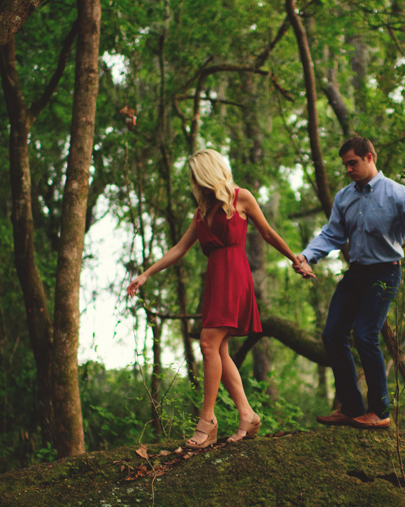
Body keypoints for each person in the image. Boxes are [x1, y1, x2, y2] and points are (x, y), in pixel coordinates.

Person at [127, 149, 315, 449]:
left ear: (208, 173)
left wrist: (295, 259)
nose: (194, 183)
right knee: (219, 350)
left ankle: (208, 421)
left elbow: (266, 233)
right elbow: (179, 248)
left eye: (196, 176)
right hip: (215, 280)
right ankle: (248, 415)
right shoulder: (202, 211)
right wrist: (146, 274)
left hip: (235, 275)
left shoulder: (241, 198)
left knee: (207, 343)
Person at [294, 136, 405, 429]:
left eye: (352, 163)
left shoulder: (397, 194)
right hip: (356, 273)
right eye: (345, 165)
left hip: (385, 273)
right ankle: (351, 407)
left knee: (365, 334)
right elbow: (331, 234)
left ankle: (380, 411)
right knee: (332, 334)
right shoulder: (344, 197)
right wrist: (306, 256)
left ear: (369, 157)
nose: (348, 170)